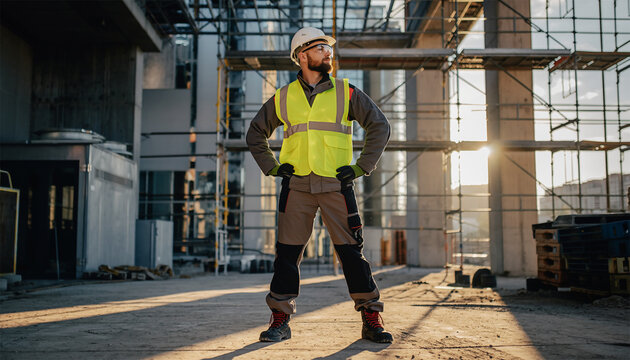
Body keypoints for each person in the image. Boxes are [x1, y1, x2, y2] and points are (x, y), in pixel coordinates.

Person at [246, 27, 392, 343]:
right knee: (286, 255)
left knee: (352, 254)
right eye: (320, 48)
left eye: (328, 48)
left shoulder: (346, 92)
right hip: (296, 186)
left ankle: (371, 316)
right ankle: (280, 319)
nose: (328, 52)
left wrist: (361, 167)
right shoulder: (284, 96)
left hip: (337, 186)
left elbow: (379, 126)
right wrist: (272, 168)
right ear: (302, 55)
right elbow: (255, 133)